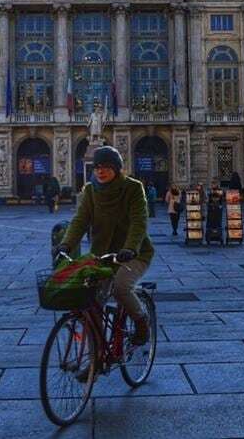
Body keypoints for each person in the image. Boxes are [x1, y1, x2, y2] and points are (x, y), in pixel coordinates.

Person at [56, 146, 154, 347]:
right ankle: (95, 360)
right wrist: (66, 244)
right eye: (97, 167)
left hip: (133, 254)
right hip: (102, 256)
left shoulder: (133, 188)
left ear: (117, 169)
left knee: (120, 288)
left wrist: (131, 248)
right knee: (91, 305)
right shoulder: (90, 191)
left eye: (106, 167)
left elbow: (139, 221)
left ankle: (142, 322)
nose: (100, 171)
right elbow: (80, 220)